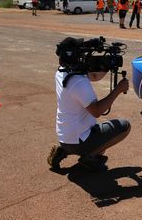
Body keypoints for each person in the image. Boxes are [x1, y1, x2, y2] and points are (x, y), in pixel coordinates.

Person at [47, 37, 131, 172]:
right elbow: (96, 111)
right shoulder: (78, 81)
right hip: (80, 140)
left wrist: (105, 66)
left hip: (65, 136)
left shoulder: (62, 72)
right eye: (81, 53)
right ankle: (89, 156)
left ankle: (63, 150)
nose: (84, 56)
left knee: (96, 132)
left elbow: (93, 76)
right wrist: (118, 90)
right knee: (124, 126)